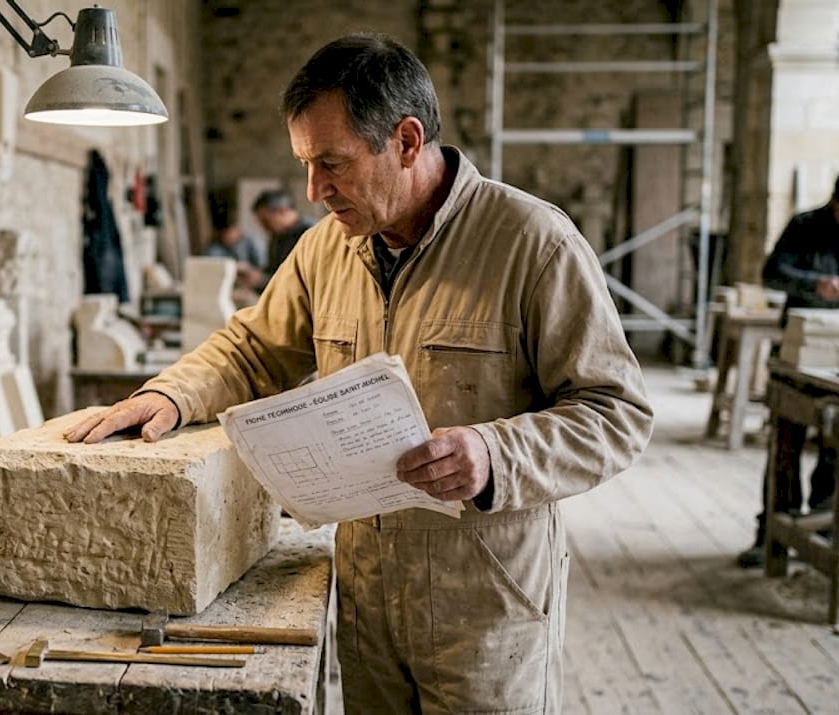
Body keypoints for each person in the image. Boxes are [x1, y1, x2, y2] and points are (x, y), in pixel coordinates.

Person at [65, 33, 652, 714]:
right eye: (307, 166)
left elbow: (617, 413)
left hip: (487, 605)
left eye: (332, 164)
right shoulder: (327, 250)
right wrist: (170, 392)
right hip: (369, 598)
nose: (314, 191)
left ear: (406, 141)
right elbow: (254, 348)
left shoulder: (533, 244)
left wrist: (496, 452)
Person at [736, 175, 839, 569]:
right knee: (785, 445)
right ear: (834, 202)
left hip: (834, 358)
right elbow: (772, 274)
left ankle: (821, 527)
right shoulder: (804, 227)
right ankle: (770, 535)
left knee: (833, 452)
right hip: (797, 356)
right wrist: (818, 285)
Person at [253, 188, 315, 282]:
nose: (264, 227)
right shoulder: (277, 236)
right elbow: (273, 270)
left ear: (282, 211)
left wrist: (262, 279)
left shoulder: (313, 233)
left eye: (266, 222)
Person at [205, 221, 267, 306]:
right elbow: (213, 269)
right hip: (231, 285)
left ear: (237, 230)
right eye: (225, 234)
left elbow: (262, 266)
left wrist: (249, 271)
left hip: (253, 282)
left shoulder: (251, 241)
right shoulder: (216, 248)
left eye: (231, 232)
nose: (229, 237)